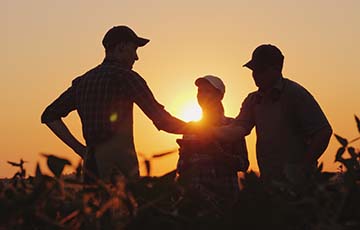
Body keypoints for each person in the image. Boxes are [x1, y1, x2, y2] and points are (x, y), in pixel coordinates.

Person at [41, 25, 187, 183]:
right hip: (121, 171)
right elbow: (162, 121)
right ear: (121, 47)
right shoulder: (126, 77)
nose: (136, 57)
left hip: (91, 169)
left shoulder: (83, 82)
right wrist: (202, 130)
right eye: (134, 49)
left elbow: (49, 116)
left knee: (93, 207)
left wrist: (81, 150)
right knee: (124, 207)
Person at [208, 44, 332, 188]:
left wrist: (302, 167)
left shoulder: (295, 94)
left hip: (299, 185)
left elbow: (323, 132)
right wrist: (205, 131)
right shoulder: (253, 100)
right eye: (253, 70)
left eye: (260, 70)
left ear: (276, 69)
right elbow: (238, 129)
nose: (255, 75)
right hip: (269, 183)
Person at [176, 75, 249, 207]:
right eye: (200, 91)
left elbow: (243, 164)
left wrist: (220, 155)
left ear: (219, 96)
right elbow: (181, 169)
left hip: (226, 201)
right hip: (197, 204)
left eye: (207, 91)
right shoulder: (190, 128)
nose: (202, 95)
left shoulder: (232, 126)